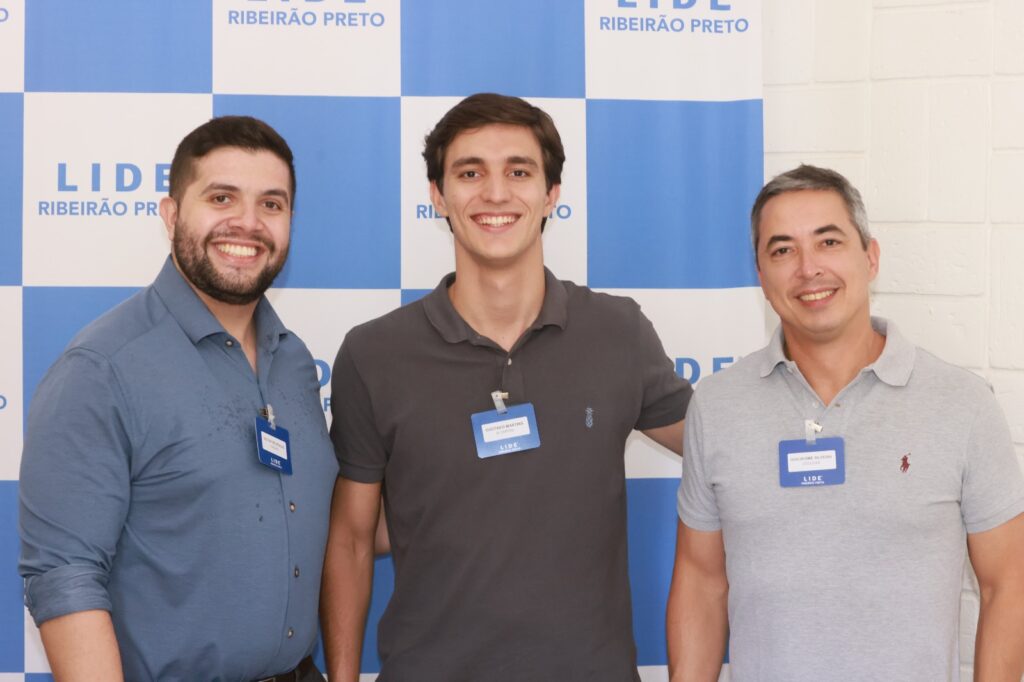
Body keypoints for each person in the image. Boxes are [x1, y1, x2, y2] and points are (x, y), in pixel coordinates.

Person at [321, 93, 691, 681]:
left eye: (518, 171)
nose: (495, 193)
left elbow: (725, 450)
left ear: (551, 195)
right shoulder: (373, 354)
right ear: (438, 196)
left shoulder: (618, 331)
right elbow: (351, 540)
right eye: (470, 173)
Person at [667, 165, 1024, 681]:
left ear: (870, 257)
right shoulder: (718, 406)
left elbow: (1008, 584)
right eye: (782, 250)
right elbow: (701, 581)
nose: (808, 268)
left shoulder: (962, 404)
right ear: (761, 276)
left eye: (828, 241)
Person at [19, 116, 337, 681]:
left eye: (271, 204)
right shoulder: (102, 369)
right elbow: (64, 575)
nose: (247, 222)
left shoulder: (293, 359)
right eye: (221, 197)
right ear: (171, 215)